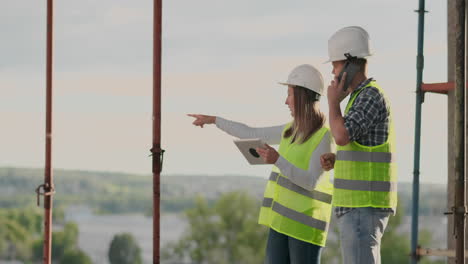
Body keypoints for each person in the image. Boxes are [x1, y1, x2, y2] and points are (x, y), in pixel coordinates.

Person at [188, 64, 333, 264]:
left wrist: (278, 160)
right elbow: (251, 133)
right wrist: (215, 120)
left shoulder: (324, 137)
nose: (286, 101)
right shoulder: (290, 130)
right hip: (280, 223)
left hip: (304, 229)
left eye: (289, 95)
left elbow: (311, 182)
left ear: (302, 96)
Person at [320, 26, 397, 264]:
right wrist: (339, 158)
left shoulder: (370, 96)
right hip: (357, 206)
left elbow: (341, 136)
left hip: (364, 205)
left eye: (335, 65)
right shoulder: (358, 97)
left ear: (350, 63)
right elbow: (357, 145)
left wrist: (333, 103)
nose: (333, 72)